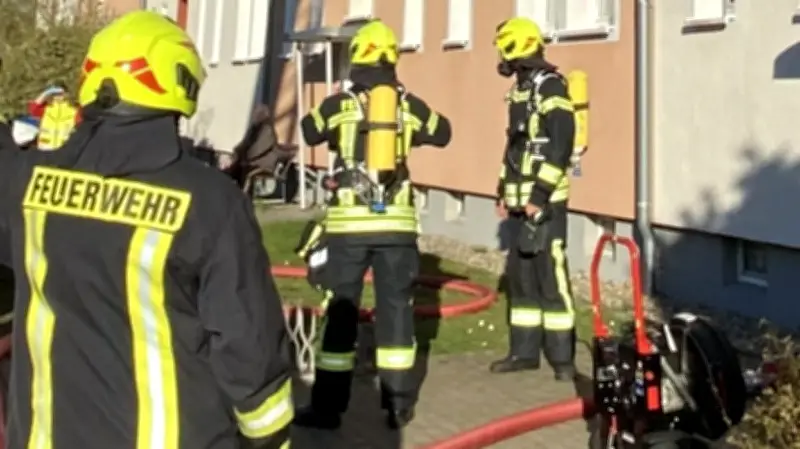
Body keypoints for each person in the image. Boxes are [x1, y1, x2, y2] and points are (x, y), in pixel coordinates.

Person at [0, 11, 293, 449]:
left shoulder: (28, 180)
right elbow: (246, 346)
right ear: (181, 85)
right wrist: (271, 434)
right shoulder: (209, 201)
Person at [294, 19, 452, 430]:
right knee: (397, 311)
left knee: (341, 312)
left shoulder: (340, 103)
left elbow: (308, 130)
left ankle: (329, 408)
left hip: (349, 227)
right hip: (398, 228)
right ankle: (398, 405)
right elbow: (443, 133)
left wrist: (336, 106)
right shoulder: (407, 105)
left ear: (357, 58)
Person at [490, 17, 577, 381]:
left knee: (551, 279)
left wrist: (539, 197)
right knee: (521, 279)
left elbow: (560, 146)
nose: (500, 55)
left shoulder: (551, 86)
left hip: (546, 204)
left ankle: (563, 361)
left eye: (503, 47)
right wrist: (501, 190)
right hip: (519, 203)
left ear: (516, 47)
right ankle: (524, 353)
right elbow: (515, 147)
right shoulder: (521, 89)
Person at [28, 81, 81, 151]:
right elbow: (33, 109)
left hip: (64, 149)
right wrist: (46, 93)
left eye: (60, 94)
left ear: (66, 93)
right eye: (55, 94)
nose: (58, 96)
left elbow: (81, 127)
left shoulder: (74, 110)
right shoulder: (46, 109)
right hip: (45, 148)